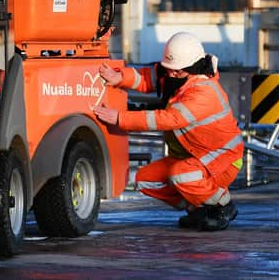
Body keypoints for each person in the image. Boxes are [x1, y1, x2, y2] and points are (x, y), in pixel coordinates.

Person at [93, 31, 243, 231]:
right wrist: (119, 78)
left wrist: (120, 118)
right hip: (191, 157)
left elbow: (168, 119)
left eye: (176, 71)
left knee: (181, 175)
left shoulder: (204, 92)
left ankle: (223, 205)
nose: (171, 74)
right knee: (146, 180)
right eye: (169, 69)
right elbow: (148, 77)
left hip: (222, 161)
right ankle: (197, 209)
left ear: (192, 68)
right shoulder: (177, 74)